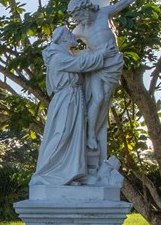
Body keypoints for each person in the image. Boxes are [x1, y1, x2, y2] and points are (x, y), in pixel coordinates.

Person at [67, 0, 161, 177]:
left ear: (85, 8)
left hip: (113, 65)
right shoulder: (80, 30)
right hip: (97, 65)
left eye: (78, 15)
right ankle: (91, 135)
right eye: (75, 18)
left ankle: (94, 132)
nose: (77, 20)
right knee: (98, 97)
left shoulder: (103, 14)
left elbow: (128, 0)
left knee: (105, 100)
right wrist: (86, 55)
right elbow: (64, 45)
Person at [31, 26, 112, 187]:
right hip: (66, 99)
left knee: (75, 137)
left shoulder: (64, 54)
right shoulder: (58, 57)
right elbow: (81, 64)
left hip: (74, 97)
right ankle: (44, 173)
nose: (72, 35)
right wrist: (102, 54)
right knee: (62, 133)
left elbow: (81, 61)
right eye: (69, 33)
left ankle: (70, 175)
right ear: (62, 38)